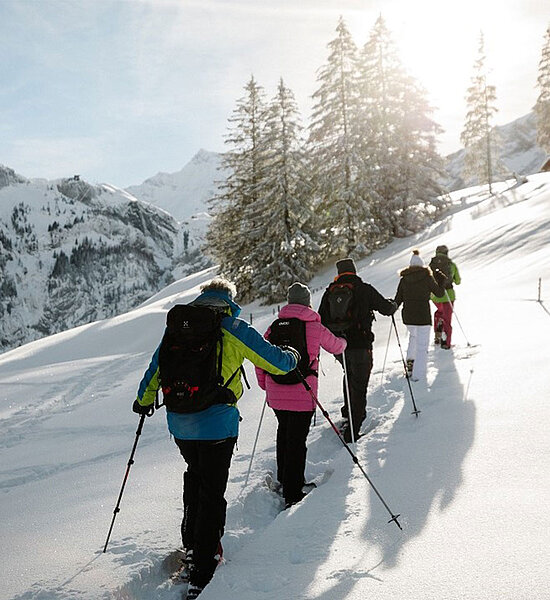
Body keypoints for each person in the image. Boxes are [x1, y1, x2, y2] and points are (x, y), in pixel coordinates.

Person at [133, 277, 299, 599]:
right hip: (217, 425)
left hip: (180, 423)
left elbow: (155, 369)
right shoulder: (232, 328)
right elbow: (276, 363)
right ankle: (204, 565)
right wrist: (292, 355)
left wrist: (143, 401)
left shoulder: (177, 328)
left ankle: (192, 545)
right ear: (229, 299)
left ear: (202, 297)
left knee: (195, 476)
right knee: (212, 489)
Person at [255, 282, 347, 508]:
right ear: (307, 302)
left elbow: (261, 358)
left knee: (283, 433)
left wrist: (265, 385)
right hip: (303, 392)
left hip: (276, 391)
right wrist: (345, 340)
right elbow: (336, 347)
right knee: (297, 440)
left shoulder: (274, 327)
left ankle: (283, 480)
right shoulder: (314, 325)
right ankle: (293, 492)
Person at [318, 258, 397, 443]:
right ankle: (353, 430)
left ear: (339, 273)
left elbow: (320, 319)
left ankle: (348, 412)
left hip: (338, 345)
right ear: (354, 270)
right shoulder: (364, 288)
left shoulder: (330, 291)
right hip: (360, 344)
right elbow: (386, 309)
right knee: (359, 384)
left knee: (350, 374)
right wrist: (392, 304)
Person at [394, 250, 447, 381]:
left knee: (413, 337)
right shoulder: (427, 277)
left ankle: (410, 361)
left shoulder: (404, 280)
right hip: (423, 316)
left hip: (408, 316)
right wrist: (441, 281)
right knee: (422, 347)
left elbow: (398, 299)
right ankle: (418, 376)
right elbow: (439, 294)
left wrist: (390, 308)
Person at [428, 245, 461, 349]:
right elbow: (458, 281)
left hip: (435, 295)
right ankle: (446, 343)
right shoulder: (451, 264)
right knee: (447, 318)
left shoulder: (431, 265)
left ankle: (437, 335)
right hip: (448, 295)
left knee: (439, 312)